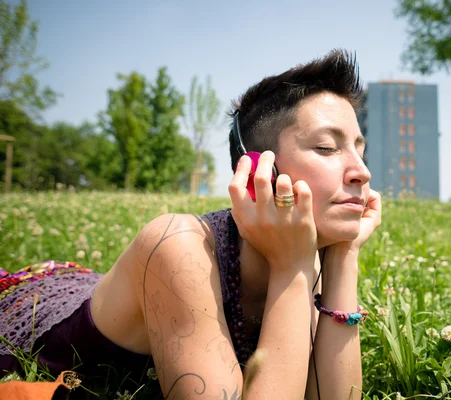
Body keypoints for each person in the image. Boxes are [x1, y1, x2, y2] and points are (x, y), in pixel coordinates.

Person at [0, 48, 381, 399]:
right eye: (327, 148)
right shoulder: (179, 245)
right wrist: (291, 267)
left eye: (359, 150)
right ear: (257, 172)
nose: (361, 172)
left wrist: (344, 256)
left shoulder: (305, 254)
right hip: (34, 307)